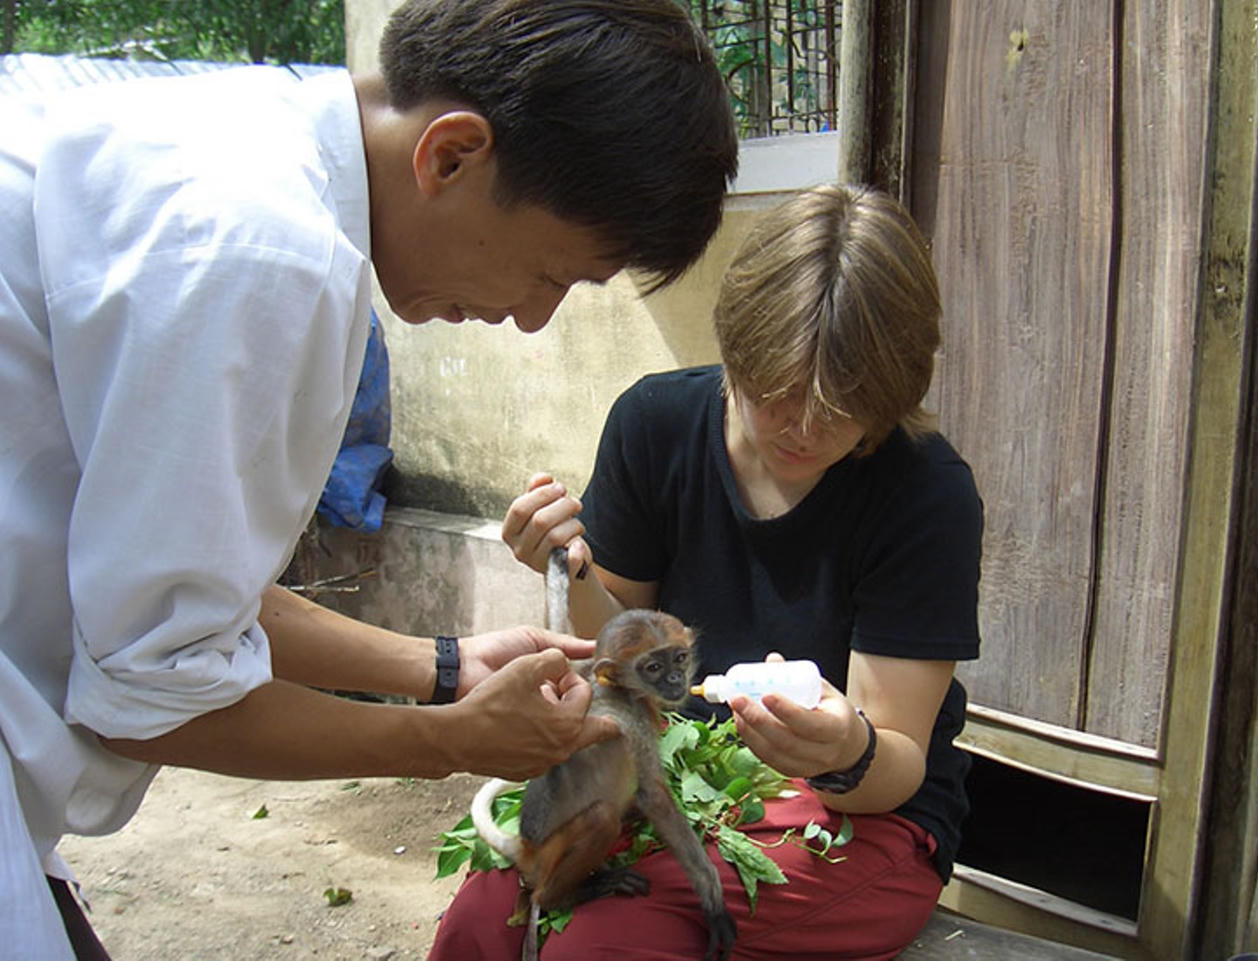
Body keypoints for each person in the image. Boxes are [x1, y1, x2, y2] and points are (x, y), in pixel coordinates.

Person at [0, 2, 738, 957]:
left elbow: (176, 584)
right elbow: (152, 696)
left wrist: (439, 667)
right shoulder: (267, 255)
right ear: (453, 156)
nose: (531, 319)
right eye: (554, 273)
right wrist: (453, 738)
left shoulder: (247, 134)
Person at [433, 183, 983, 961]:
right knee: (486, 911)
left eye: (843, 408)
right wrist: (573, 566)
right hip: (678, 767)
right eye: (779, 394)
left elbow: (893, 762)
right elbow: (620, 656)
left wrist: (841, 749)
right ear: (738, 348)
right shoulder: (656, 425)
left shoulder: (924, 491)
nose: (804, 426)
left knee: (601, 942)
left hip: (856, 817)